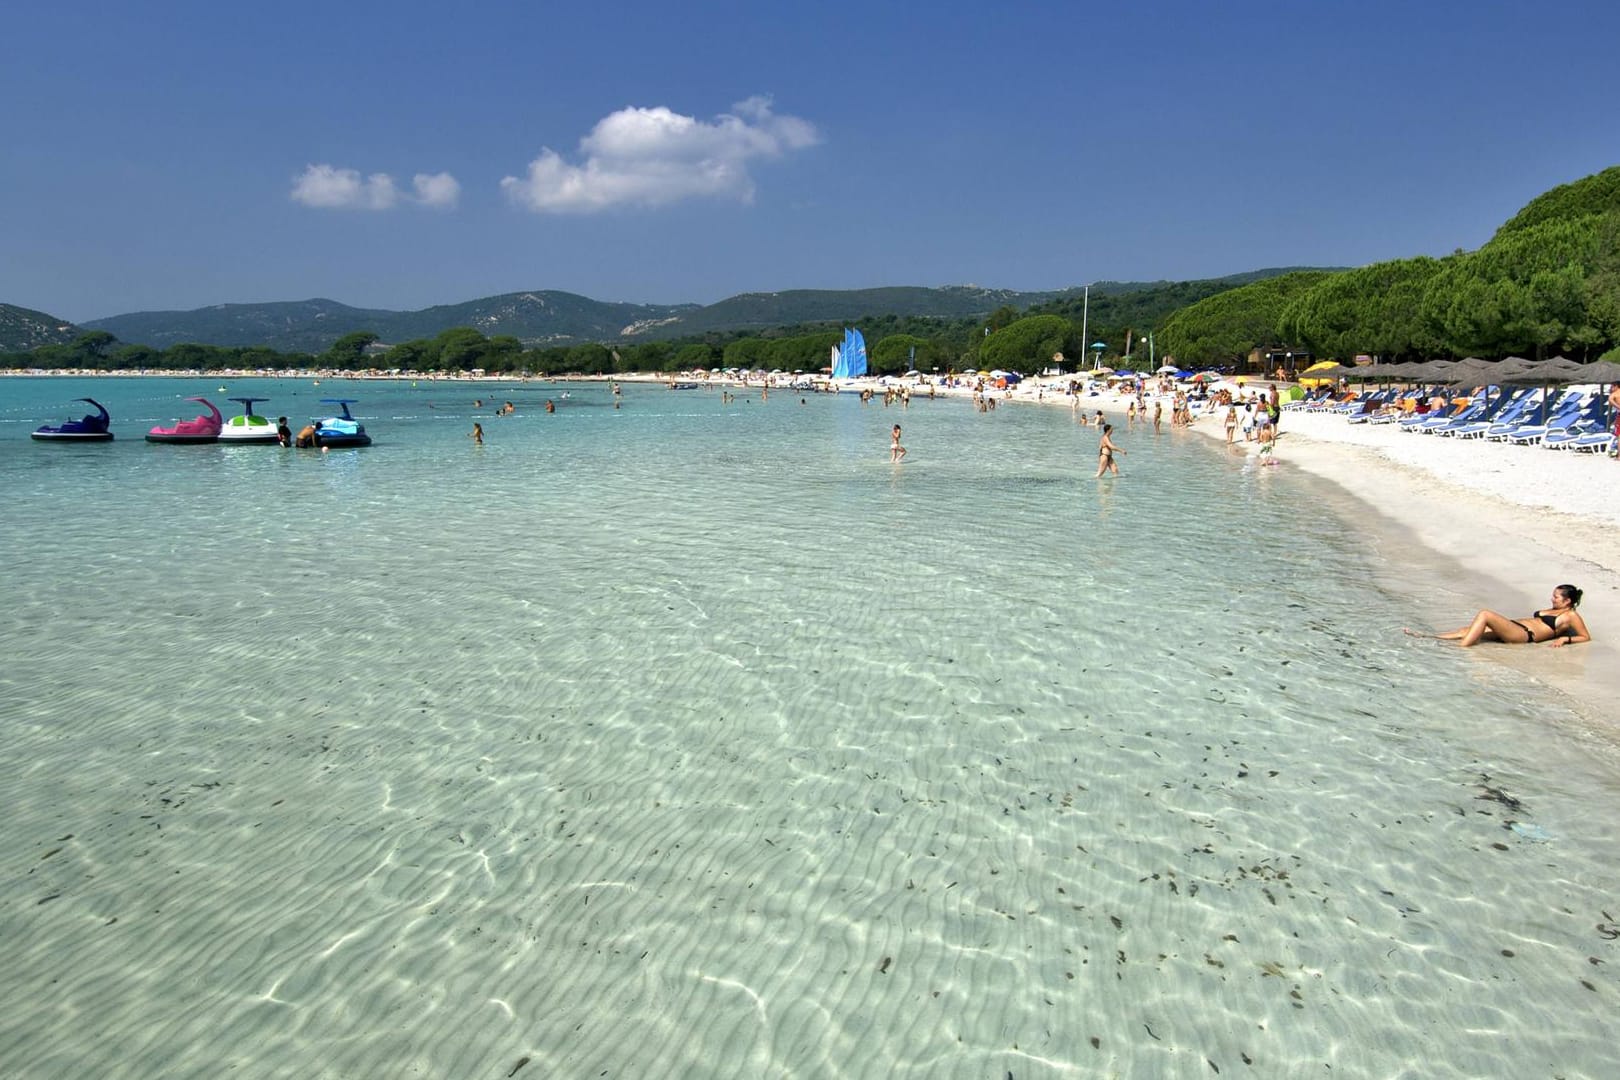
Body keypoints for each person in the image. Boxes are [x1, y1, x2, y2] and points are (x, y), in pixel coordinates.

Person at [1406, 584, 1590, 647]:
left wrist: (1565, 639)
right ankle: (1428, 637)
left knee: (1485, 614)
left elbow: (1585, 636)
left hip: (1525, 635)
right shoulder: (1554, 610)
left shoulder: (1571, 615)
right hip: (1516, 627)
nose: (1552, 598)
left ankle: (1461, 650)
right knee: (1467, 630)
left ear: (1567, 601)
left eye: (1556, 597)